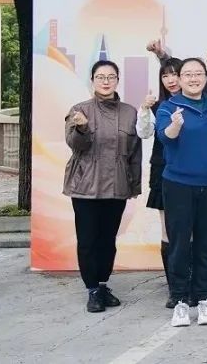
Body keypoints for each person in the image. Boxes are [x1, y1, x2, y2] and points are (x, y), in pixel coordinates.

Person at [156, 58, 207, 328]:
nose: (193, 78)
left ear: (206, 78)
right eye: (187, 74)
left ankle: (204, 299)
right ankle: (179, 300)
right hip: (178, 184)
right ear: (180, 79)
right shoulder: (169, 107)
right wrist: (175, 125)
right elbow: (165, 137)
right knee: (179, 244)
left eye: (198, 74)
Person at [64, 61, 143, 314]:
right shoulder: (79, 110)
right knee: (88, 240)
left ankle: (102, 284)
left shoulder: (129, 112)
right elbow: (76, 145)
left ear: (118, 80)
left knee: (108, 240)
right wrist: (82, 127)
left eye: (111, 77)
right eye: (100, 77)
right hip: (86, 185)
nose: (106, 81)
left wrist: (134, 184)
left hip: (117, 184)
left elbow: (135, 153)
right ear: (92, 81)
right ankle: (92, 290)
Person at [136, 57, 182, 309]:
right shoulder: (156, 106)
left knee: (191, 230)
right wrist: (144, 109)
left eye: (175, 74)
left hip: (192, 170)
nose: (171, 80)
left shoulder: (199, 102)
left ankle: (193, 283)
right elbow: (144, 132)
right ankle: (174, 288)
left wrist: (161, 53)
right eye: (166, 75)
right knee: (168, 231)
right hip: (163, 169)